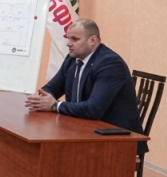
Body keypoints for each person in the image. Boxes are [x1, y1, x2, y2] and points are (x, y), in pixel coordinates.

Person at [25, 19, 146, 154]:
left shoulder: (110, 63)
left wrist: (55, 105)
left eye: (75, 39)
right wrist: (40, 99)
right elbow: (52, 89)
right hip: (82, 129)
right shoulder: (72, 59)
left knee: (54, 152)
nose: (68, 43)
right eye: (68, 38)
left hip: (115, 138)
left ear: (92, 40)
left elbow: (93, 109)